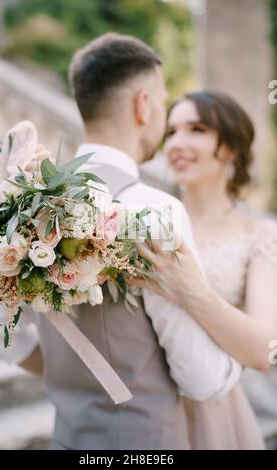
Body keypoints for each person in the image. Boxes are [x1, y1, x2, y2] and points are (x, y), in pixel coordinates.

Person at [0, 36, 242, 450]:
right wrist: (236, 364)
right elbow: (202, 379)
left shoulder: (23, 204)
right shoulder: (155, 210)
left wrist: (75, 375)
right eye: (162, 99)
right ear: (144, 105)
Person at [129, 91, 277, 449]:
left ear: (229, 146)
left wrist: (188, 289)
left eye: (196, 129)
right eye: (172, 131)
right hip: (146, 406)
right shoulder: (150, 224)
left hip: (225, 408)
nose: (177, 143)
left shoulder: (260, 233)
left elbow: (264, 350)